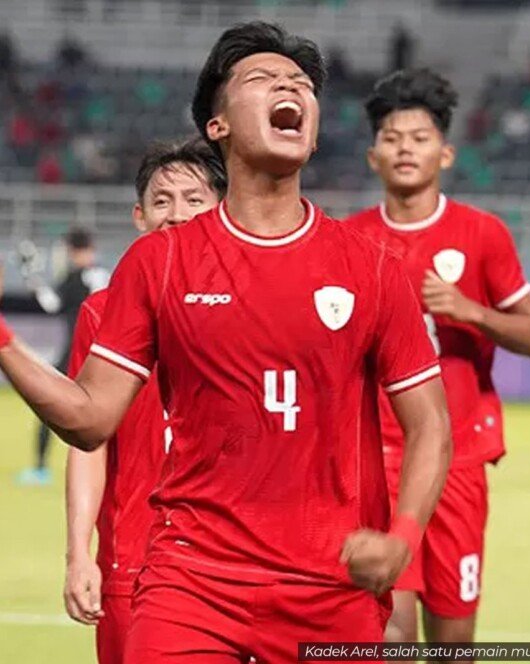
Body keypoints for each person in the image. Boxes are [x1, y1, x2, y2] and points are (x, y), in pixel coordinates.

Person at [0, 22, 451, 663]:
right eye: (263, 80)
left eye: (300, 84)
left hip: (328, 589)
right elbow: (90, 418)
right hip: (191, 586)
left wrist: (403, 538)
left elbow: (430, 422)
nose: (290, 88)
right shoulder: (160, 263)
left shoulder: (370, 268)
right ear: (219, 125)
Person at [346, 68, 530, 655]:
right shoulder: (348, 240)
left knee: (453, 638)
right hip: (377, 460)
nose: (405, 148)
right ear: (372, 155)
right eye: (391, 137)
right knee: (393, 630)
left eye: (419, 136)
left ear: (446, 152)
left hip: (458, 462)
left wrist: (468, 311)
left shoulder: (482, 235)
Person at [63, 137, 226, 664]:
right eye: (162, 201)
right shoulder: (101, 313)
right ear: (138, 215)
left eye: (194, 199)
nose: (177, 215)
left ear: (223, 209)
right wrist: (78, 553)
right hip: (134, 562)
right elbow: (89, 442)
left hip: (236, 564)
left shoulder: (257, 305)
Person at [17, 226, 109, 485]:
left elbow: (50, 304)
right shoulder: (92, 275)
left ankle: (40, 468)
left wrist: (30, 273)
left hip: (80, 351)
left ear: (72, 250)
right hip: (103, 353)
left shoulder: (86, 276)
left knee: (49, 405)